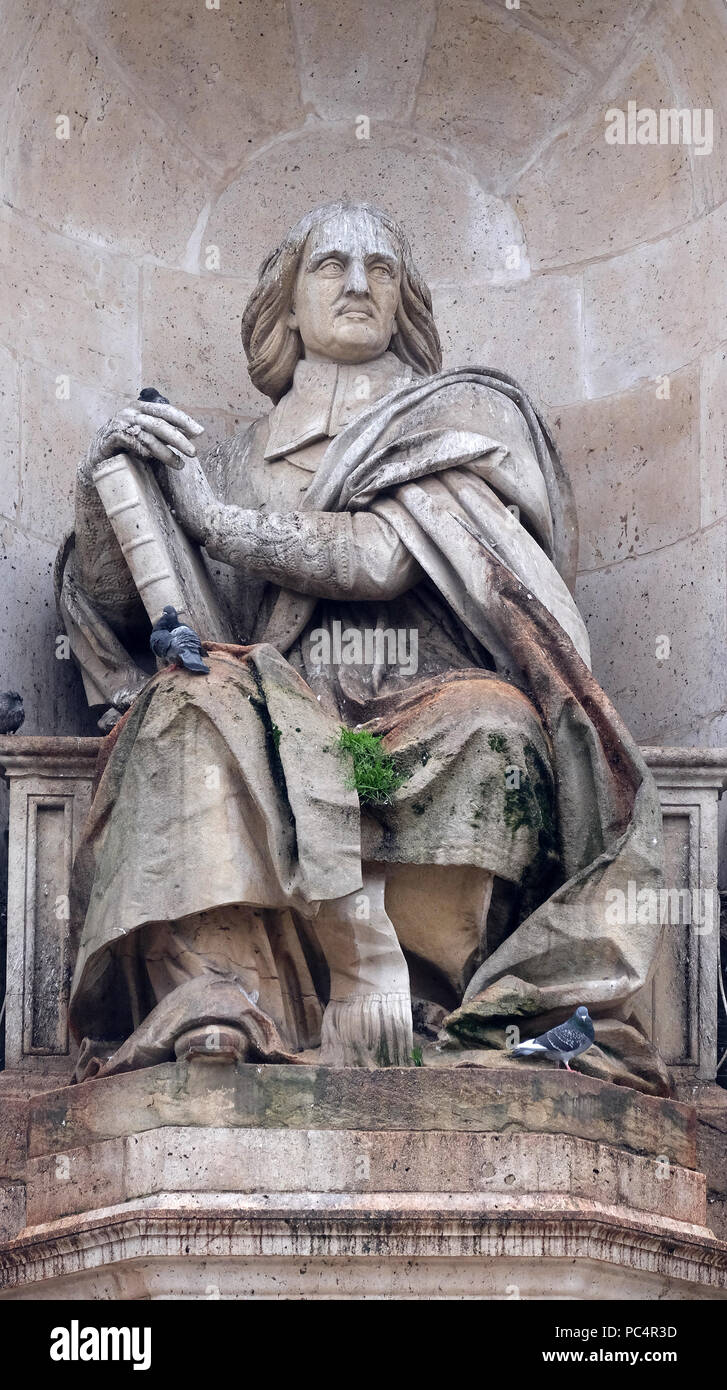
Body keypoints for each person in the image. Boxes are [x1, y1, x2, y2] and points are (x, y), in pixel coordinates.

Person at [58, 202, 665, 1091]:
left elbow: (380, 558)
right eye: (329, 266)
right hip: (273, 694)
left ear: (404, 299)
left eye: (379, 269)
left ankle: (441, 997)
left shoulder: (451, 421)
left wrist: (215, 521)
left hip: (425, 688)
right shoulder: (224, 455)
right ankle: (219, 997)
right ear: (287, 306)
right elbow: (123, 606)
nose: (354, 285)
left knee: (493, 727)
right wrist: (105, 484)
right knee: (179, 711)